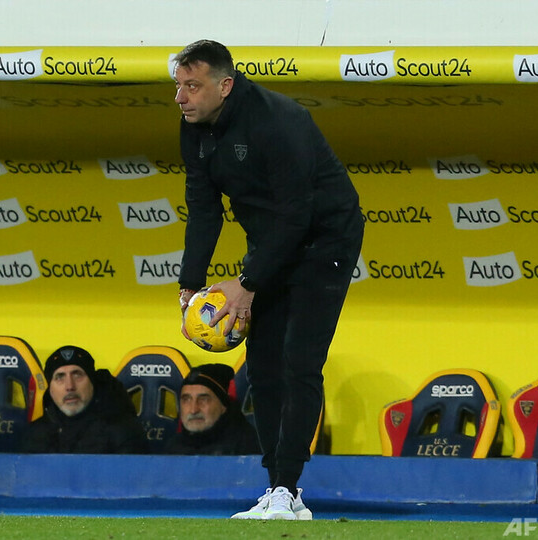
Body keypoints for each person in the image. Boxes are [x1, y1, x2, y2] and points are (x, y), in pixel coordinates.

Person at [173, 40, 364, 520]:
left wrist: (248, 282)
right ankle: (278, 489)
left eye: (192, 86)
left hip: (325, 240)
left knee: (299, 362)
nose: (181, 97)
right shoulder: (193, 126)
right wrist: (189, 286)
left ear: (225, 85)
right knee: (261, 367)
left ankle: (288, 489)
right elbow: (203, 208)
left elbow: (297, 214)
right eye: (178, 86)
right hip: (271, 242)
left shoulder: (279, 121)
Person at [23, 345, 148, 454]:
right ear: (50, 388)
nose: (70, 386)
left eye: (77, 375)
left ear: (92, 383)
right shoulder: (36, 433)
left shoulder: (123, 431)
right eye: (60, 377)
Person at [165, 363, 260, 455]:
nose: (193, 410)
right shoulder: (173, 447)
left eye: (203, 400)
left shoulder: (249, 446)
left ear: (223, 406)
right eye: (186, 400)